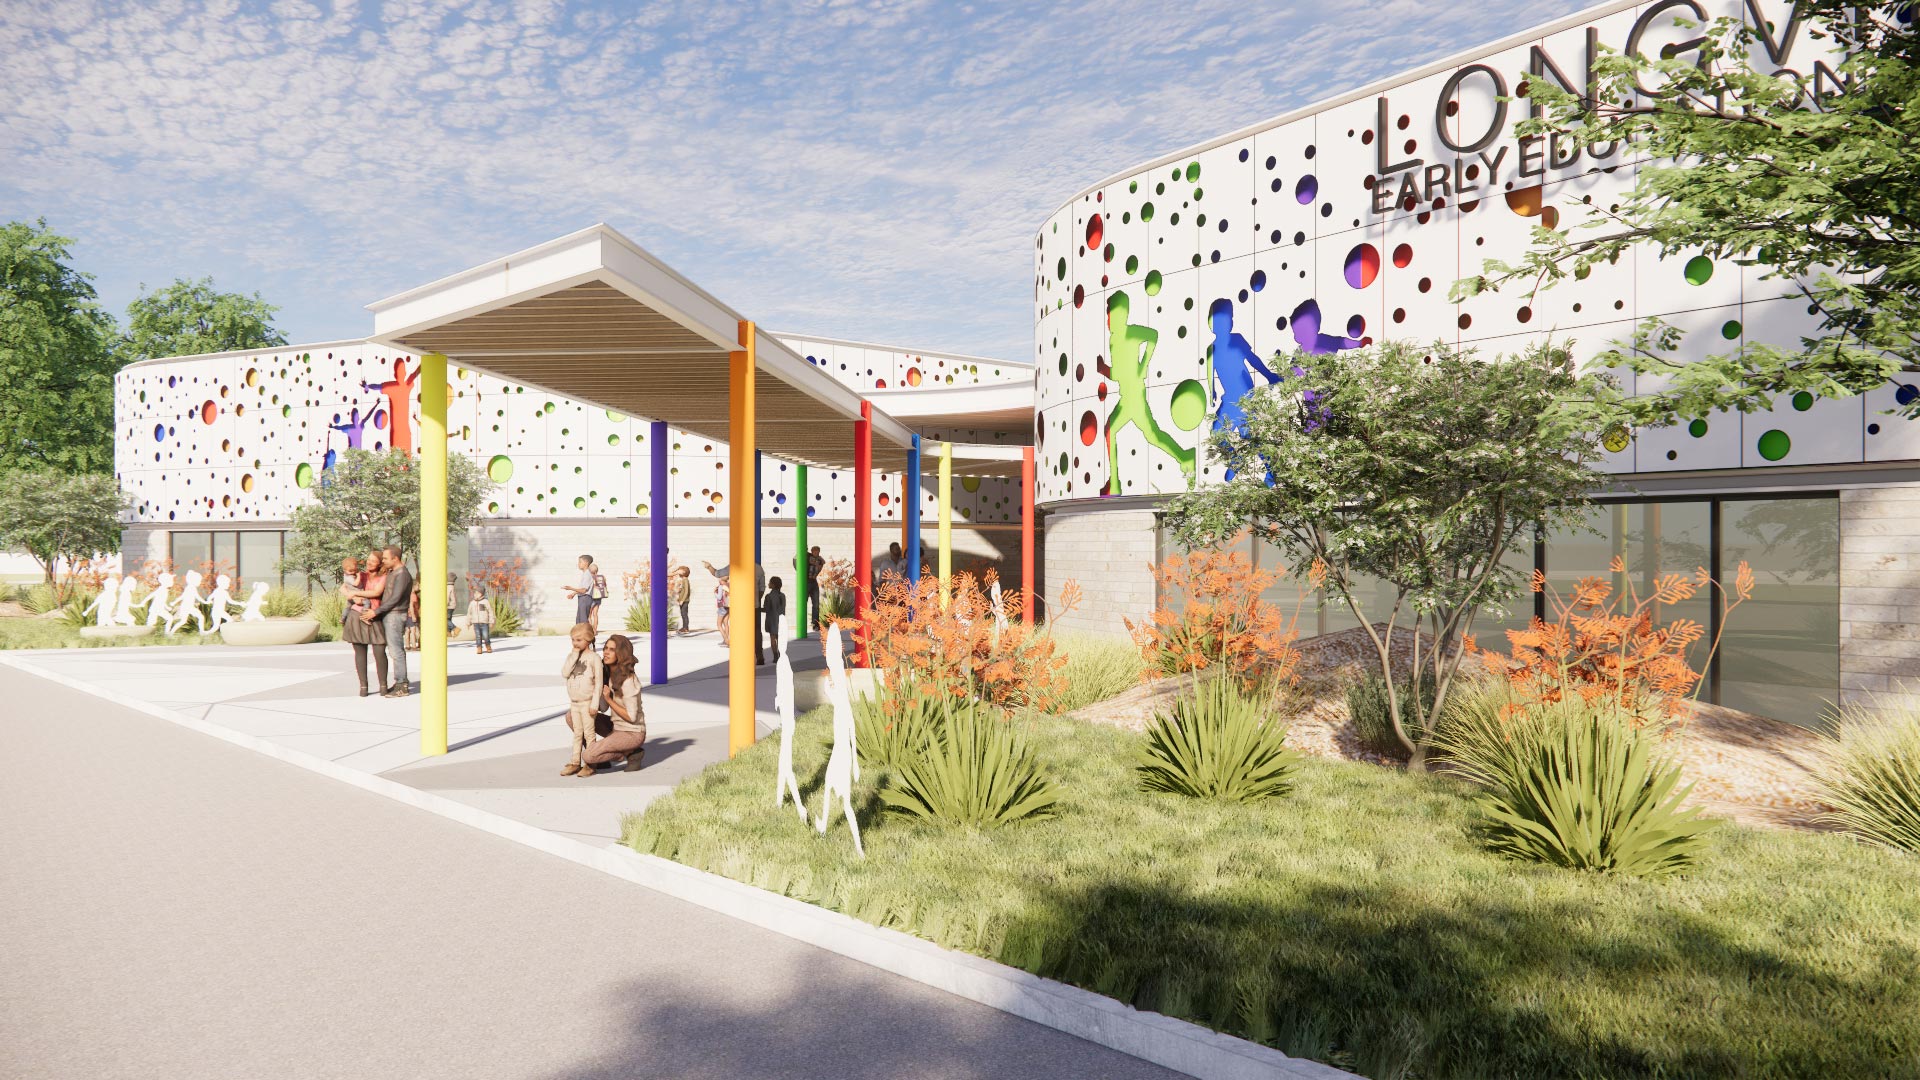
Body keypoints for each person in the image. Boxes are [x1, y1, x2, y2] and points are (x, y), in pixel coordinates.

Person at [583, 633, 647, 772]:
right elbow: (603, 708)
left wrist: (609, 699)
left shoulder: (629, 681)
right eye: (605, 648)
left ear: (621, 654)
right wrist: (596, 686)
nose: (606, 652)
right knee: (574, 716)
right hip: (615, 727)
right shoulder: (610, 675)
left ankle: (631, 752)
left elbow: (632, 717)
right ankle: (603, 755)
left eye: (612, 649)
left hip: (632, 732)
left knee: (588, 755)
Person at [362, 546, 413, 697]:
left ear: (395, 558)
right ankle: (400, 682)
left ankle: (401, 684)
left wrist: (375, 611)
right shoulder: (393, 572)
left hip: (395, 616)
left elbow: (395, 598)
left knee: (396, 651)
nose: (382, 561)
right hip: (390, 615)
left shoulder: (402, 574)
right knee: (394, 650)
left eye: (385, 558)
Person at [340, 551, 389, 698]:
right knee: (360, 652)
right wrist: (350, 595)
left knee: (379, 651)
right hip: (356, 614)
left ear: (380, 563)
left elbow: (376, 592)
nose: (369, 563)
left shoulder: (384, 577)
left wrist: (356, 595)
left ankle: (383, 685)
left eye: (373, 561)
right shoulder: (361, 574)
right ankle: (363, 687)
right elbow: (343, 587)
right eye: (368, 560)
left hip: (374, 614)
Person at [558, 623, 604, 777]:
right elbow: (565, 672)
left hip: (588, 703)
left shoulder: (594, 658)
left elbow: (599, 683)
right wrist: (573, 655)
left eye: (578, 640)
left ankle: (590, 763)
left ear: (588, 640)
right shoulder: (572, 657)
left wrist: (595, 703)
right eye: (573, 640)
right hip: (575, 703)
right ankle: (575, 762)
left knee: (589, 734)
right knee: (577, 733)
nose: (575, 643)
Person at [702, 560, 765, 665]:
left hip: (739, 606)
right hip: (754, 605)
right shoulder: (758, 568)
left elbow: (717, 573)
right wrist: (756, 599)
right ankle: (759, 656)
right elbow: (762, 588)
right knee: (756, 631)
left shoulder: (734, 566)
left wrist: (709, 566)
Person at [563, 554, 595, 633]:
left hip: (585, 598)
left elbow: (584, 590)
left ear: (586, 563)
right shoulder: (585, 574)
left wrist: (570, 588)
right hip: (582, 598)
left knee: (583, 621)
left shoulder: (587, 574)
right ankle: (582, 638)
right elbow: (582, 588)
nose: (578, 564)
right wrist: (573, 594)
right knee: (579, 621)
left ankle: (587, 640)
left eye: (580, 562)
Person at [763, 576, 787, 663]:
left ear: (773, 585)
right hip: (781, 619)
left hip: (772, 619)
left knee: (773, 638)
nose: (768, 584)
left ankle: (775, 656)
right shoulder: (782, 596)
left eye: (769, 582)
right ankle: (781, 654)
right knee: (779, 638)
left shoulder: (768, 596)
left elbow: (766, 609)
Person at [468, 584, 493, 654]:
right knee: (478, 636)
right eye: (474, 593)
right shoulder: (472, 603)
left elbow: (490, 611)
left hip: (484, 622)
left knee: (486, 636)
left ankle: (488, 646)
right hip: (475, 623)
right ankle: (479, 648)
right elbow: (469, 613)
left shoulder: (485, 602)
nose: (475, 594)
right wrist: (468, 621)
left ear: (481, 594)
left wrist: (491, 621)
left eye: (477, 593)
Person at [669, 564, 692, 634]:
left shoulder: (685, 580)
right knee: (683, 614)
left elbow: (687, 591)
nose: (678, 572)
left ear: (683, 572)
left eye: (680, 571)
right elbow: (684, 590)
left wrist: (682, 600)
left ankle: (686, 628)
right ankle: (684, 627)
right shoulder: (683, 580)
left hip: (684, 600)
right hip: (682, 600)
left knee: (684, 614)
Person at [806, 545, 824, 630]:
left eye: (818, 552)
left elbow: (822, 563)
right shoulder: (808, 556)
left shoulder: (820, 560)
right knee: (803, 603)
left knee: (816, 604)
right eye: (815, 551)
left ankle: (815, 623)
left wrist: (818, 562)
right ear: (812, 552)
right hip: (806, 582)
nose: (817, 553)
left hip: (813, 582)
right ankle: (803, 623)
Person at [588, 561, 608, 636]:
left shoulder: (590, 578)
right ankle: (595, 630)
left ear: (589, 571)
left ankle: (591, 630)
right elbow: (605, 586)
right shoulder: (602, 577)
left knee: (589, 615)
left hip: (592, 597)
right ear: (597, 570)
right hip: (599, 597)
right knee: (595, 614)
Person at [404, 582, 422, 651]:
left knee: (407, 630)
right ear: (414, 586)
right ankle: (414, 646)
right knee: (413, 630)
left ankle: (408, 645)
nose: (419, 588)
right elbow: (411, 606)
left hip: (406, 614)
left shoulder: (407, 594)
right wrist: (414, 615)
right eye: (418, 586)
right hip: (411, 615)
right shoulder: (413, 595)